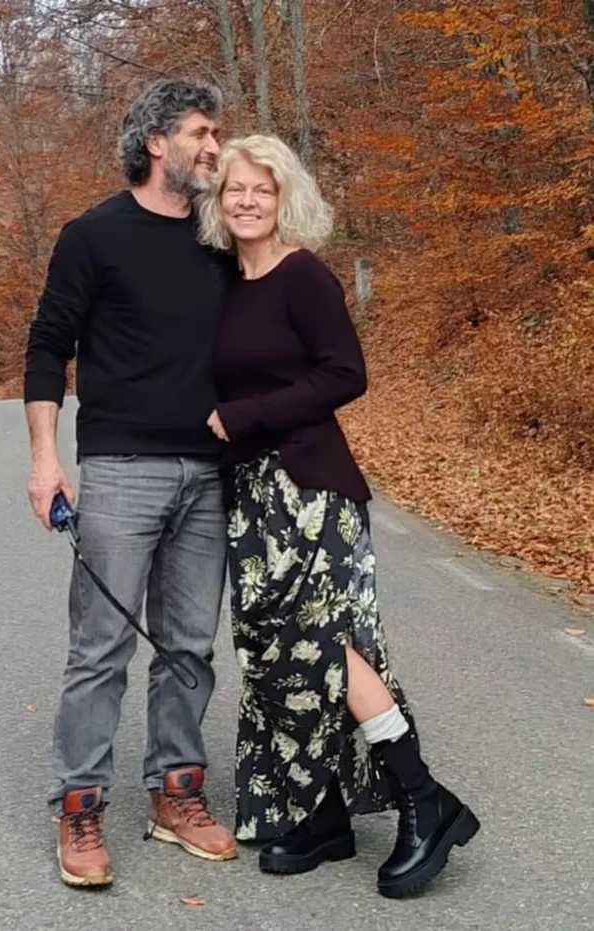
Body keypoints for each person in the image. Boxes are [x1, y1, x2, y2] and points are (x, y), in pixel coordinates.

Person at [199, 135, 480, 899]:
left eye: (261, 188)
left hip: (311, 487)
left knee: (326, 646)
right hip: (251, 497)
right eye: (234, 189)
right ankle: (321, 812)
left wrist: (246, 416)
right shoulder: (226, 283)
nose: (247, 200)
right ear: (218, 201)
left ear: (283, 196)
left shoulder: (303, 274)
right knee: (271, 653)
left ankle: (425, 798)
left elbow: (346, 373)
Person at [23, 78, 238, 888]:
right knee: (101, 646)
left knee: (189, 644)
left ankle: (175, 793)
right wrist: (45, 459)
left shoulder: (222, 237)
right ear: (156, 141)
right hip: (119, 469)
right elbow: (48, 346)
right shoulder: (93, 235)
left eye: (216, 133)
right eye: (200, 132)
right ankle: (79, 805)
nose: (214, 146)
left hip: (210, 473)